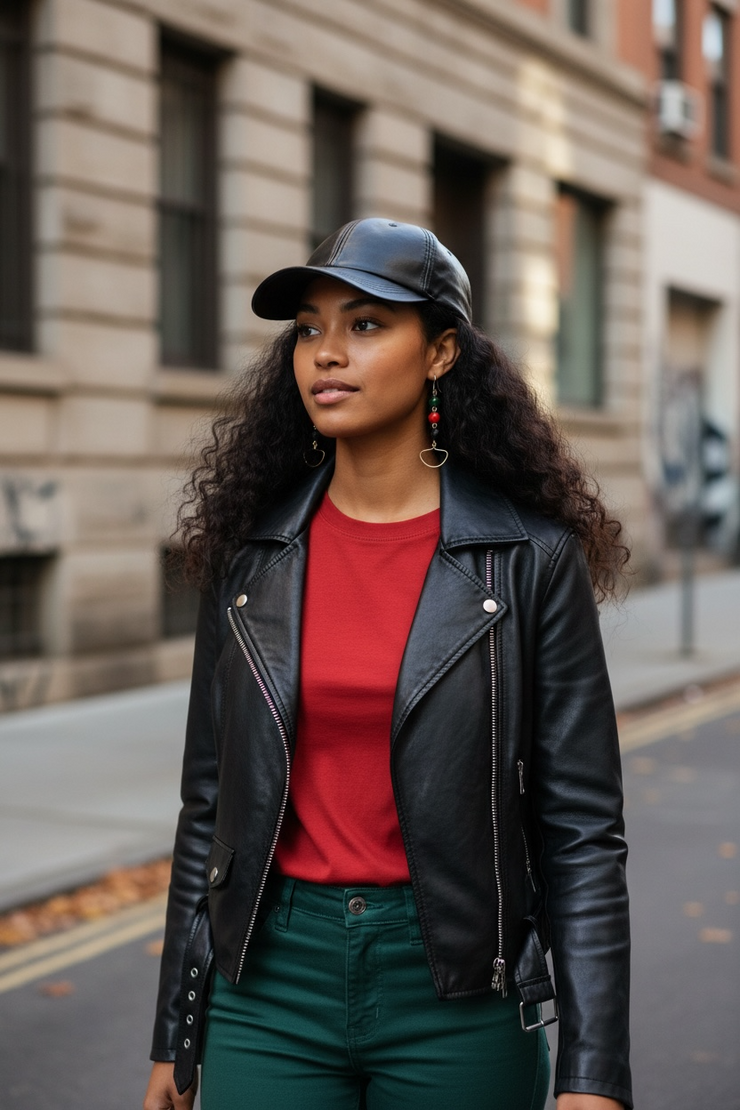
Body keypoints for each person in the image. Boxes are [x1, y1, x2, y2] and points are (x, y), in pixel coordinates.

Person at [144, 218, 632, 1110]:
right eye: (309, 328)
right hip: (268, 982)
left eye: (366, 324)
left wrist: (594, 1074)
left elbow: (581, 833)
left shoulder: (529, 559)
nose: (327, 352)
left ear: (441, 352)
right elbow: (209, 806)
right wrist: (176, 1028)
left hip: (458, 985)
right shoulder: (249, 555)